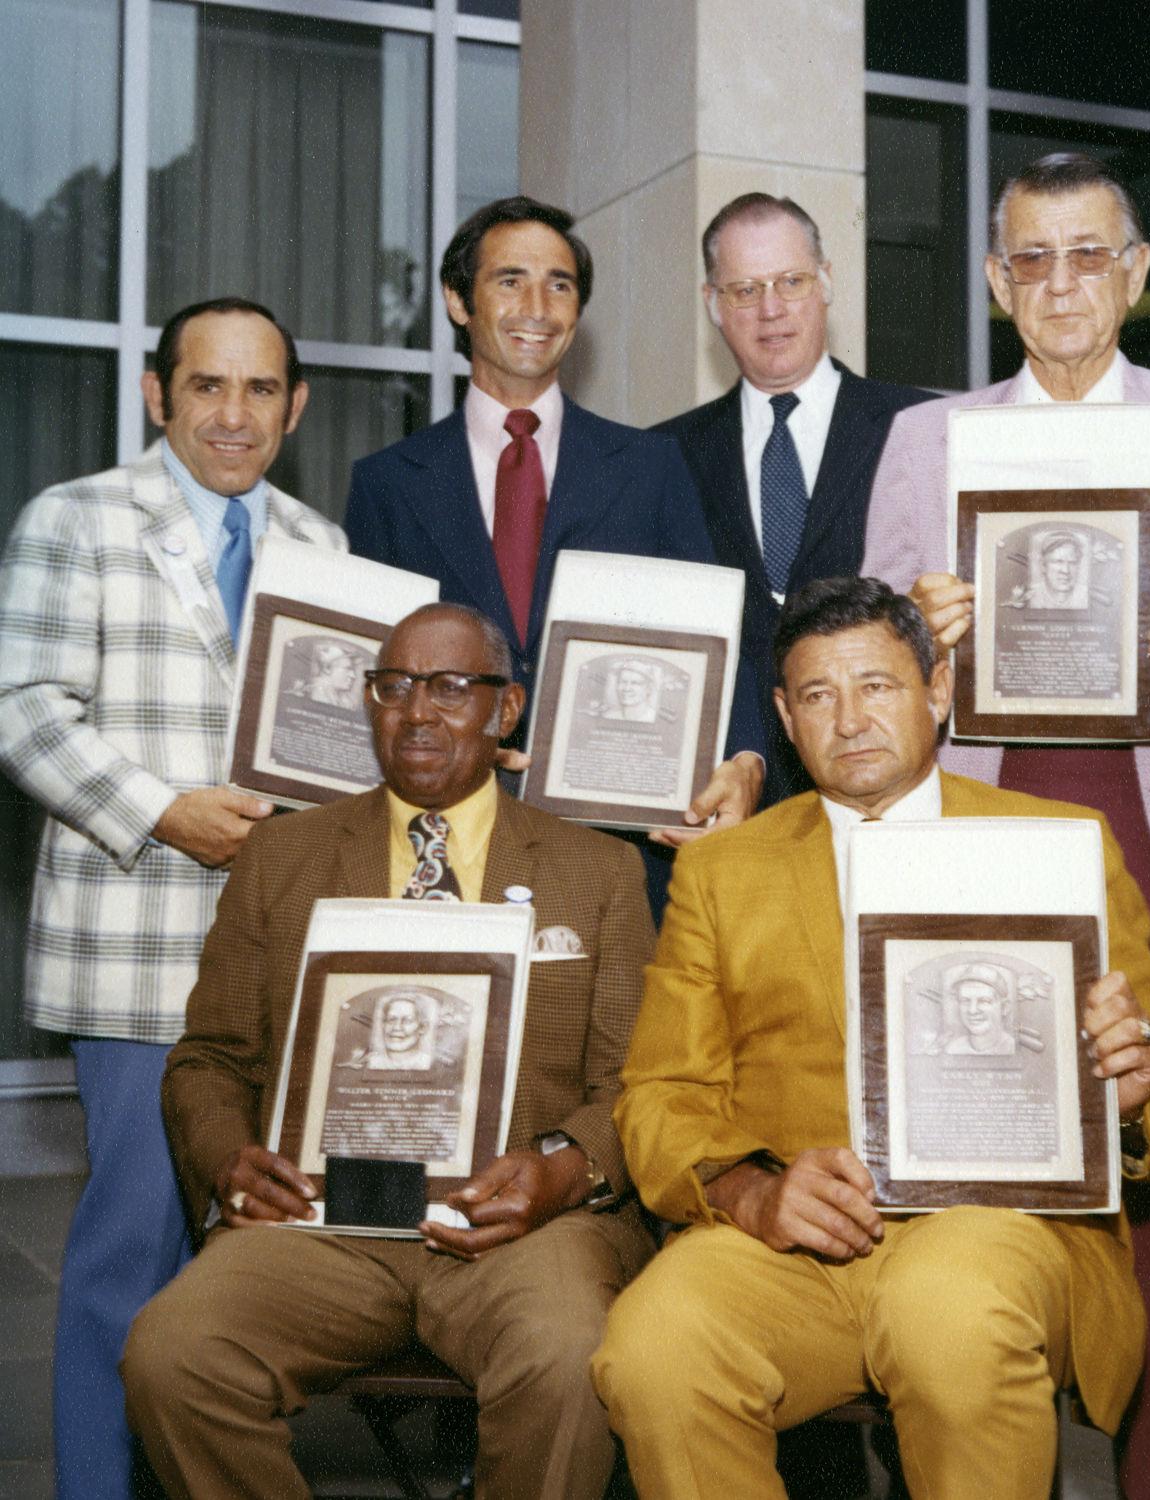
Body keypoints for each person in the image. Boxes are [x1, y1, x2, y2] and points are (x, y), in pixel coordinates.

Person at [591, 577, 1150, 1500]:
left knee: (945, 1315)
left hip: (1003, 1234)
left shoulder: (1057, 841)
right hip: (794, 1248)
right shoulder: (723, 872)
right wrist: (751, 1192)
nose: (849, 720)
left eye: (877, 686)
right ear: (785, 718)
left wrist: (1135, 1090)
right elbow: (659, 1094)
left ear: (937, 690)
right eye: (817, 696)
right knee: (653, 1347)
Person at [861, 150, 1150, 1498]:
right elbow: (864, 675)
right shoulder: (928, 441)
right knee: (958, 1156)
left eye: (1090, 255)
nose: (1062, 283)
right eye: (1033, 258)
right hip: (976, 827)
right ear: (994, 281)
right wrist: (918, 639)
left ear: (1136, 276)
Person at [122, 602, 656, 1500]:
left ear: (505, 709)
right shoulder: (281, 855)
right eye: (393, 686)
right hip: (321, 1227)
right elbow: (210, 1057)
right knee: (173, 1354)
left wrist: (563, 1171)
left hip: (521, 1229)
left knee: (569, 1357)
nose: (416, 712)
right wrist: (229, 1160)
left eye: (449, 687)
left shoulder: (597, 870)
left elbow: (634, 1080)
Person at [0, 297, 345, 1500]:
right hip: (135, 946)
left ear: (295, 409)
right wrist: (161, 811)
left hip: (285, 967)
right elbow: (22, 709)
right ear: (158, 395)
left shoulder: (324, 546)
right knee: (129, 1255)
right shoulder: (77, 518)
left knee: (246, 1271)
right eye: (208, 386)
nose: (234, 415)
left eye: (261, 390)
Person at [344, 196, 765, 889]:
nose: (537, 307)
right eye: (510, 280)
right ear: (457, 301)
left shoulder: (651, 468)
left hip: (623, 851)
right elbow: (370, 674)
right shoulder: (388, 484)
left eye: (560, 285)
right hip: (445, 847)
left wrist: (745, 761)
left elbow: (722, 635)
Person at [656, 193, 936, 804]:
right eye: (745, 290)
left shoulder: (920, 427)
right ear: (712, 304)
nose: (772, 309)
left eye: (791, 281)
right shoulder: (662, 456)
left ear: (827, 282)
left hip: (889, 786)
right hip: (727, 796)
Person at [948, 965, 1016, 1055]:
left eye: (984, 1001)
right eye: (965, 1001)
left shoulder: (1012, 1047)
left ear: (1004, 1008)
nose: (972, 1010)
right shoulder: (953, 1048)